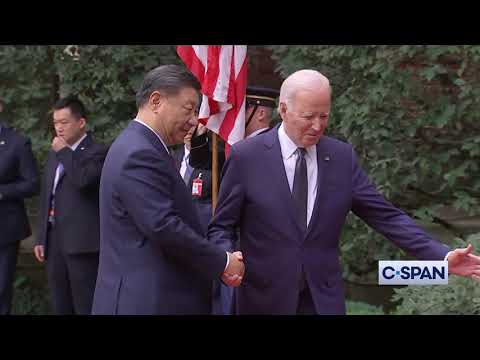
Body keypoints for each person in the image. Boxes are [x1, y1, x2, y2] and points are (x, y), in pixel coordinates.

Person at [208, 69, 480, 315]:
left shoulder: (340, 157)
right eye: (308, 116)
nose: (317, 125)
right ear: (283, 109)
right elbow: (222, 226)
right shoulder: (248, 157)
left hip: (322, 300)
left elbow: (386, 216)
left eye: (324, 116)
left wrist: (441, 256)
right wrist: (227, 258)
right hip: (263, 299)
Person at [91, 64, 244, 315]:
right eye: (189, 109)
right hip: (145, 301)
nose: (194, 121)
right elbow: (163, 226)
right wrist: (223, 261)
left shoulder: (143, 146)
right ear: (156, 101)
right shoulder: (139, 153)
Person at [34, 97, 108, 315]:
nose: (59, 128)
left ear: (81, 122)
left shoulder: (96, 152)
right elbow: (48, 193)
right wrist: (41, 236)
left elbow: (83, 180)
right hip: (54, 240)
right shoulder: (55, 153)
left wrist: (65, 152)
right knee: (60, 303)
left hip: (82, 244)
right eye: (56, 122)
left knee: (85, 303)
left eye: (64, 122)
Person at [0, 101, 40, 314]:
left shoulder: (17, 143)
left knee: (1, 290)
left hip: (5, 230)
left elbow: (32, 183)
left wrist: (3, 192)